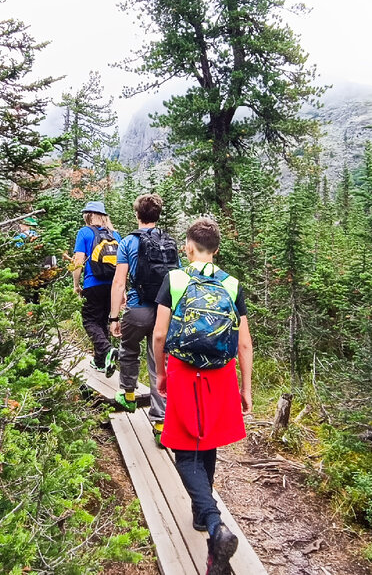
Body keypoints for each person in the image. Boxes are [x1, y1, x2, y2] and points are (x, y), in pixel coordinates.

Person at [151, 217, 252, 575]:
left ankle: (213, 523)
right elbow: (243, 342)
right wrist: (246, 387)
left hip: (184, 372)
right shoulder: (231, 283)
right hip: (221, 375)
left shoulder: (175, 280)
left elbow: (160, 336)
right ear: (217, 250)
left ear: (188, 247)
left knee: (184, 453)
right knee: (206, 441)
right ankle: (203, 519)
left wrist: (162, 374)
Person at [109, 194, 178, 442]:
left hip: (137, 309)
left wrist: (114, 317)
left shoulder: (128, 242)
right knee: (159, 363)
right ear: (158, 216)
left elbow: (119, 282)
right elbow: (176, 281)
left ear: (137, 215)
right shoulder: (168, 242)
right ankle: (161, 424)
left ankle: (127, 394)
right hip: (164, 312)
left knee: (128, 348)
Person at [72, 201, 121, 373]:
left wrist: (76, 285)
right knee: (103, 320)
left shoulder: (84, 232)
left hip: (93, 283)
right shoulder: (115, 235)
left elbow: (78, 261)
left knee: (90, 320)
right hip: (113, 285)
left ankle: (107, 350)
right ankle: (100, 362)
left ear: (89, 215)